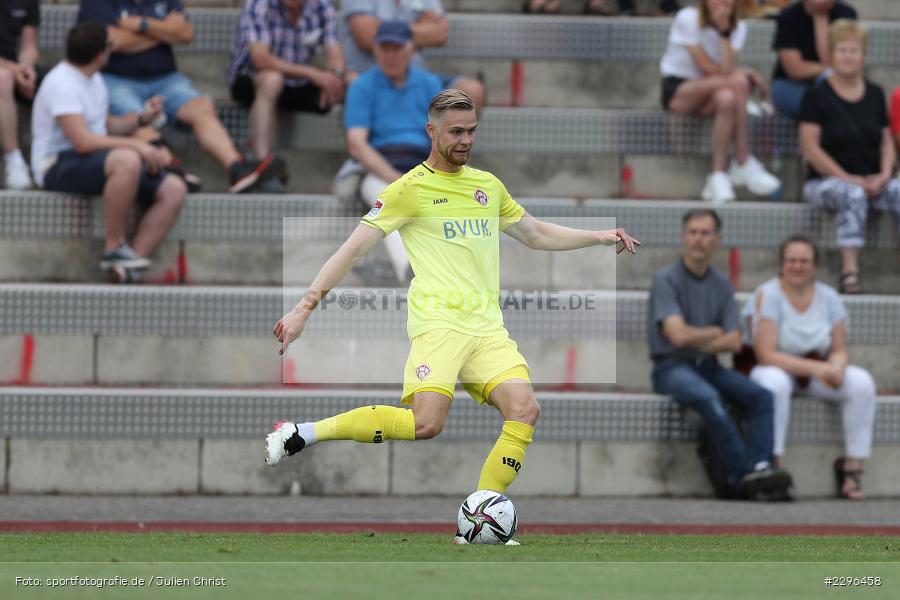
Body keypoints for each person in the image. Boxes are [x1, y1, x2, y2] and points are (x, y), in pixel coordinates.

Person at [267, 90, 641, 541]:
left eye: (472, 131)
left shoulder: (487, 186)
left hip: (487, 329)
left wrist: (600, 236)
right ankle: (303, 432)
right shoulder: (408, 190)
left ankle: (480, 516)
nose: (465, 140)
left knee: (524, 409)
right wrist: (304, 308)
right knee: (426, 423)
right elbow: (350, 251)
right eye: (456, 132)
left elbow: (537, 233)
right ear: (432, 131)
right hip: (439, 326)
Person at [648, 209, 792, 500]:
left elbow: (735, 341)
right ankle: (746, 476)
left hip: (709, 367)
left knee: (762, 396)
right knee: (710, 399)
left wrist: (694, 336)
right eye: (693, 232)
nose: (699, 239)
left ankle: (761, 466)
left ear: (717, 239)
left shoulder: (722, 284)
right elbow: (676, 337)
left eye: (705, 233)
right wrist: (714, 333)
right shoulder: (666, 279)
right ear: (683, 237)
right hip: (671, 368)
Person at [31, 21, 187, 280]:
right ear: (100, 54)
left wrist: (141, 118)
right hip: (55, 166)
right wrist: (137, 145)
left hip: (93, 161)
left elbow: (104, 126)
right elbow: (82, 141)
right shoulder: (60, 82)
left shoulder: (94, 80)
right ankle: (113, 247)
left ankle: (126, 269)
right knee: (127, 160)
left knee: (174, 188)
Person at [77, 0, 285, 193]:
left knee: (201, 108)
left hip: (166, 79)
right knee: (136, 116)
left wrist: (141, 25)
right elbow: (110, 41)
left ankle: (237, 169)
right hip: (117, 79)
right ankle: (170, 167)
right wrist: (164, 30)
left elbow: (186, 33)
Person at [742, 235, 876, 499]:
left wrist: (836, 366)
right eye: (791, 260)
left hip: (814, 371)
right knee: (774, 383)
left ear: (814, 265)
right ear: (782, 264)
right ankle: (775, 467)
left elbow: (838, 348)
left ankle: (852, 469)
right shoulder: (768, 294)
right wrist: (819, 370)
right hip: (774, 368)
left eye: (804, 261)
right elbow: (766, 354)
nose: (797, 266)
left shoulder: (829, 297)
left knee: (861, 382)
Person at [799, 19, 900, 294]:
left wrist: (884, 174)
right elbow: (811, 148)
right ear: (832, 54)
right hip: (826, 182)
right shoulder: (816, 95)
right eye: (842, 50)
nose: (848, 56)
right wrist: (848, 179)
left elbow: (886, 139)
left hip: (872, 179)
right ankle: (850, 271)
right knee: (851, 195)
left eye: (853, 50)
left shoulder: (876, 93)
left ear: (863, 55)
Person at [338, 20, 443, 284]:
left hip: (423, 165)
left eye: (397, 48)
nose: (391, 54)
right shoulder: (362, 86)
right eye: (385, 48)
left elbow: (444, 137)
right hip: (378, 167)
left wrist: (426, 173)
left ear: (410, 50)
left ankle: (418, 272)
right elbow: (357, 144)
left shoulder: (430, 84)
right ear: (375, 50)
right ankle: (410, 269)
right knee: (386, 198)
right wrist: (396, 178)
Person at [660, 0, 781, 204]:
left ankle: (717, 175)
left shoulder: (738, 27)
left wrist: (725, 31)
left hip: (714, 93)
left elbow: (725, 69)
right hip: (681, 91)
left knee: (727, 98)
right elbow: (708, 67)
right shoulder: (688, 18)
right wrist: (743, 73)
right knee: (739, 82)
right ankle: (742, 159)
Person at [227, 0, 346, 190]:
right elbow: (261, 59)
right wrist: (314, 74)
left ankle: (361, 167)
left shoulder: (322, 6)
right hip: (250, 78)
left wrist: (334, 78)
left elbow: (336, 56)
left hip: (296, 82)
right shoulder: (259, 4)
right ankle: (262, 166)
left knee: (352, 83)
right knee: (272, 80)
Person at [340, 0, 485, 111]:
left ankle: (435, 150)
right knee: (361, 87)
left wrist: (386, 31)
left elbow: (440, 34)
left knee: (471, 91)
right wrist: (421, 28)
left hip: (418, 77)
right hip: (370, 78)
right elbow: (366, 36)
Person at [770, 0, 856, 118]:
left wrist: (820, 17)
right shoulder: (788, 16)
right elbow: (795, 70)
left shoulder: (846, 14)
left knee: (832, 90)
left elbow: (844, 62)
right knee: (825, 101)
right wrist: (831, 67)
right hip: (790, 85)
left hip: (834, 84)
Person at [0, 0, 39, 189]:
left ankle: (49, 161)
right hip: (5, 72)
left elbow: (29, 45)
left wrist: (26, 68)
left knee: (59, 80)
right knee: (3, 79)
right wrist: (13, 69)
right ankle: (13, 157)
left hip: (12, 67)